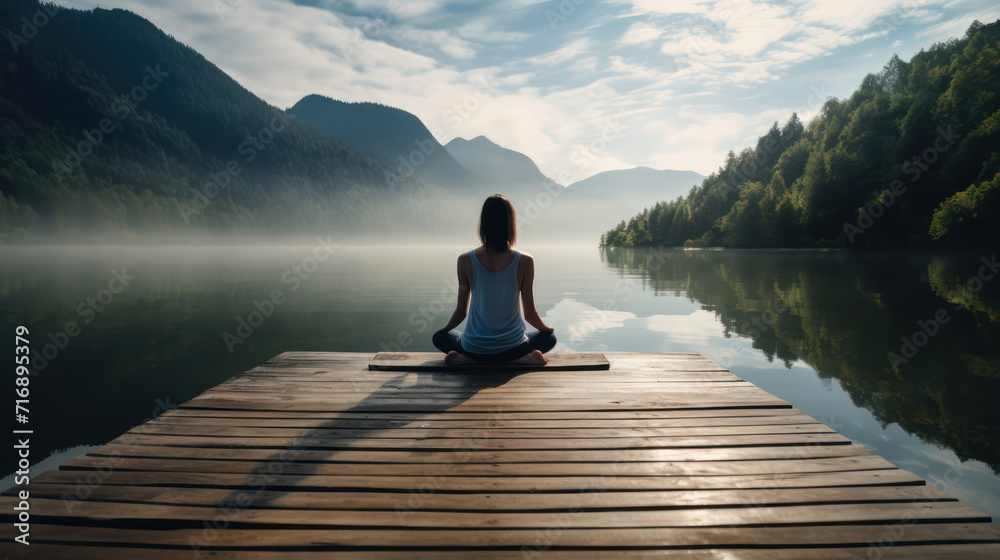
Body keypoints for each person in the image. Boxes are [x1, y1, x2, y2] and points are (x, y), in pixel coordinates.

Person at [433, 194, 556, 366]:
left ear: (483, 223)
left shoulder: (465, 260)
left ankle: (466, 360)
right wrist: (547, 330)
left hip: (474, 349)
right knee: (549, 339)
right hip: (514, 348)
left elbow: (462, 311)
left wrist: (444, 330)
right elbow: (529, 315)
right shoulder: (525, 261)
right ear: (510, 224)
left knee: (439, 338)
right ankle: (522, 359)